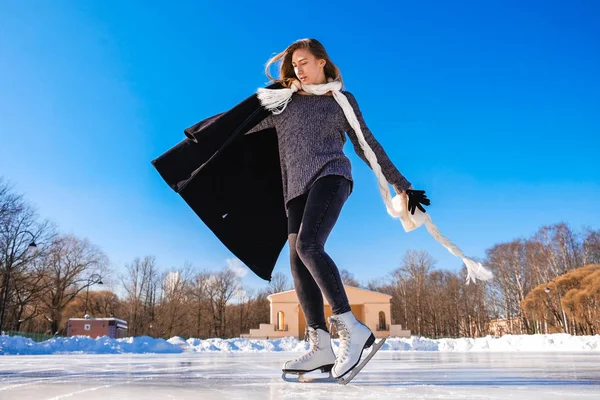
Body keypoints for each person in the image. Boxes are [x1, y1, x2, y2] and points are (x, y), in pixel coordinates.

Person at [244, 38, 429, 380]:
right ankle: (321, 346)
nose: (298, 69)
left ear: (322, 63)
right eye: (294, 65)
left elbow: (366, 143)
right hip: (295, 189)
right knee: (298, 261)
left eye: (303, 62)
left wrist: (400, 183)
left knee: (308, 245)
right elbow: (241, 127)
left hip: (332, 176)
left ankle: (351, 327)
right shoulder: (283, 103)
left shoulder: (340, 100)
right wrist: (203, 138)